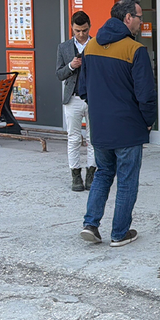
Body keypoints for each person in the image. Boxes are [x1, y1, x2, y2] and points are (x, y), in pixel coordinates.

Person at [78, 0, 157, 247]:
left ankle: (91, 225)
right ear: (127, 18)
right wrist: (148, 121)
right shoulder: (135, 50)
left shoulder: (89, 48)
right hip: (128, 128)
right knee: (127, 180)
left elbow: (83, 89)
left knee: (102, 174)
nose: (140, 23)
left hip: (100, 127)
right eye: (139, 18)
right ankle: (119, 233)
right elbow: (146, 95)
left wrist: (100, 111)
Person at [55, 11, 95, 192]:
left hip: (94, 98)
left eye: (84, 30)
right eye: (78, 30)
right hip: (73, 98)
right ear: (72, 28)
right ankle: (76, 175)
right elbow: (59, 74)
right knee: (73, 138)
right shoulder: (63, 48)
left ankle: (91, 174)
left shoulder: (97, 45)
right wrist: (71, 66)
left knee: (93, 139)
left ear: (89, 26)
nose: (81, 34)